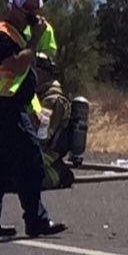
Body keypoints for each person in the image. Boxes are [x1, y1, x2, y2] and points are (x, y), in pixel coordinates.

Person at [0, 0, 67, 239]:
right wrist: (34, 40)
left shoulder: (22, 35)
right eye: (27, 9)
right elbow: (15, 66)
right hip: (4, 109)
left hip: (14, 108)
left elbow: (42, 58)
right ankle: (36, 221)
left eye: (36, 9)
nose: (32, 14)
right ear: (13, 7)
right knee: (32, 163)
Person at [34, 52, 75, 190]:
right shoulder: (38, 94)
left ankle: (59, 173)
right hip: (40, 149)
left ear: (45, 73)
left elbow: (43, 133)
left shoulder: (52, 99)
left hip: (48, 152)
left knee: (27, 182)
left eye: (35, 70)